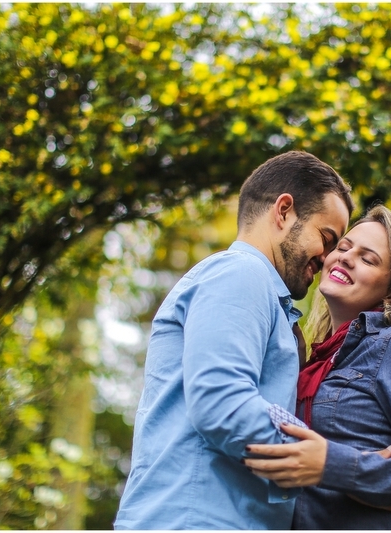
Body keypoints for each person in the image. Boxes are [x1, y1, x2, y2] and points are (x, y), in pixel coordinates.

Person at [114, 151, 354, 530]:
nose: (327, 259)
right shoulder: (241, 275)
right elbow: (221, 401)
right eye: (326, 238)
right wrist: (329, 463)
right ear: (284, 211)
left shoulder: (262, 295)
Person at [244, 205, 391, 529]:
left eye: (368, 258)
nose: (345, 257)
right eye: (343, 247)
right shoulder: (309, 361)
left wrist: (334, 466)